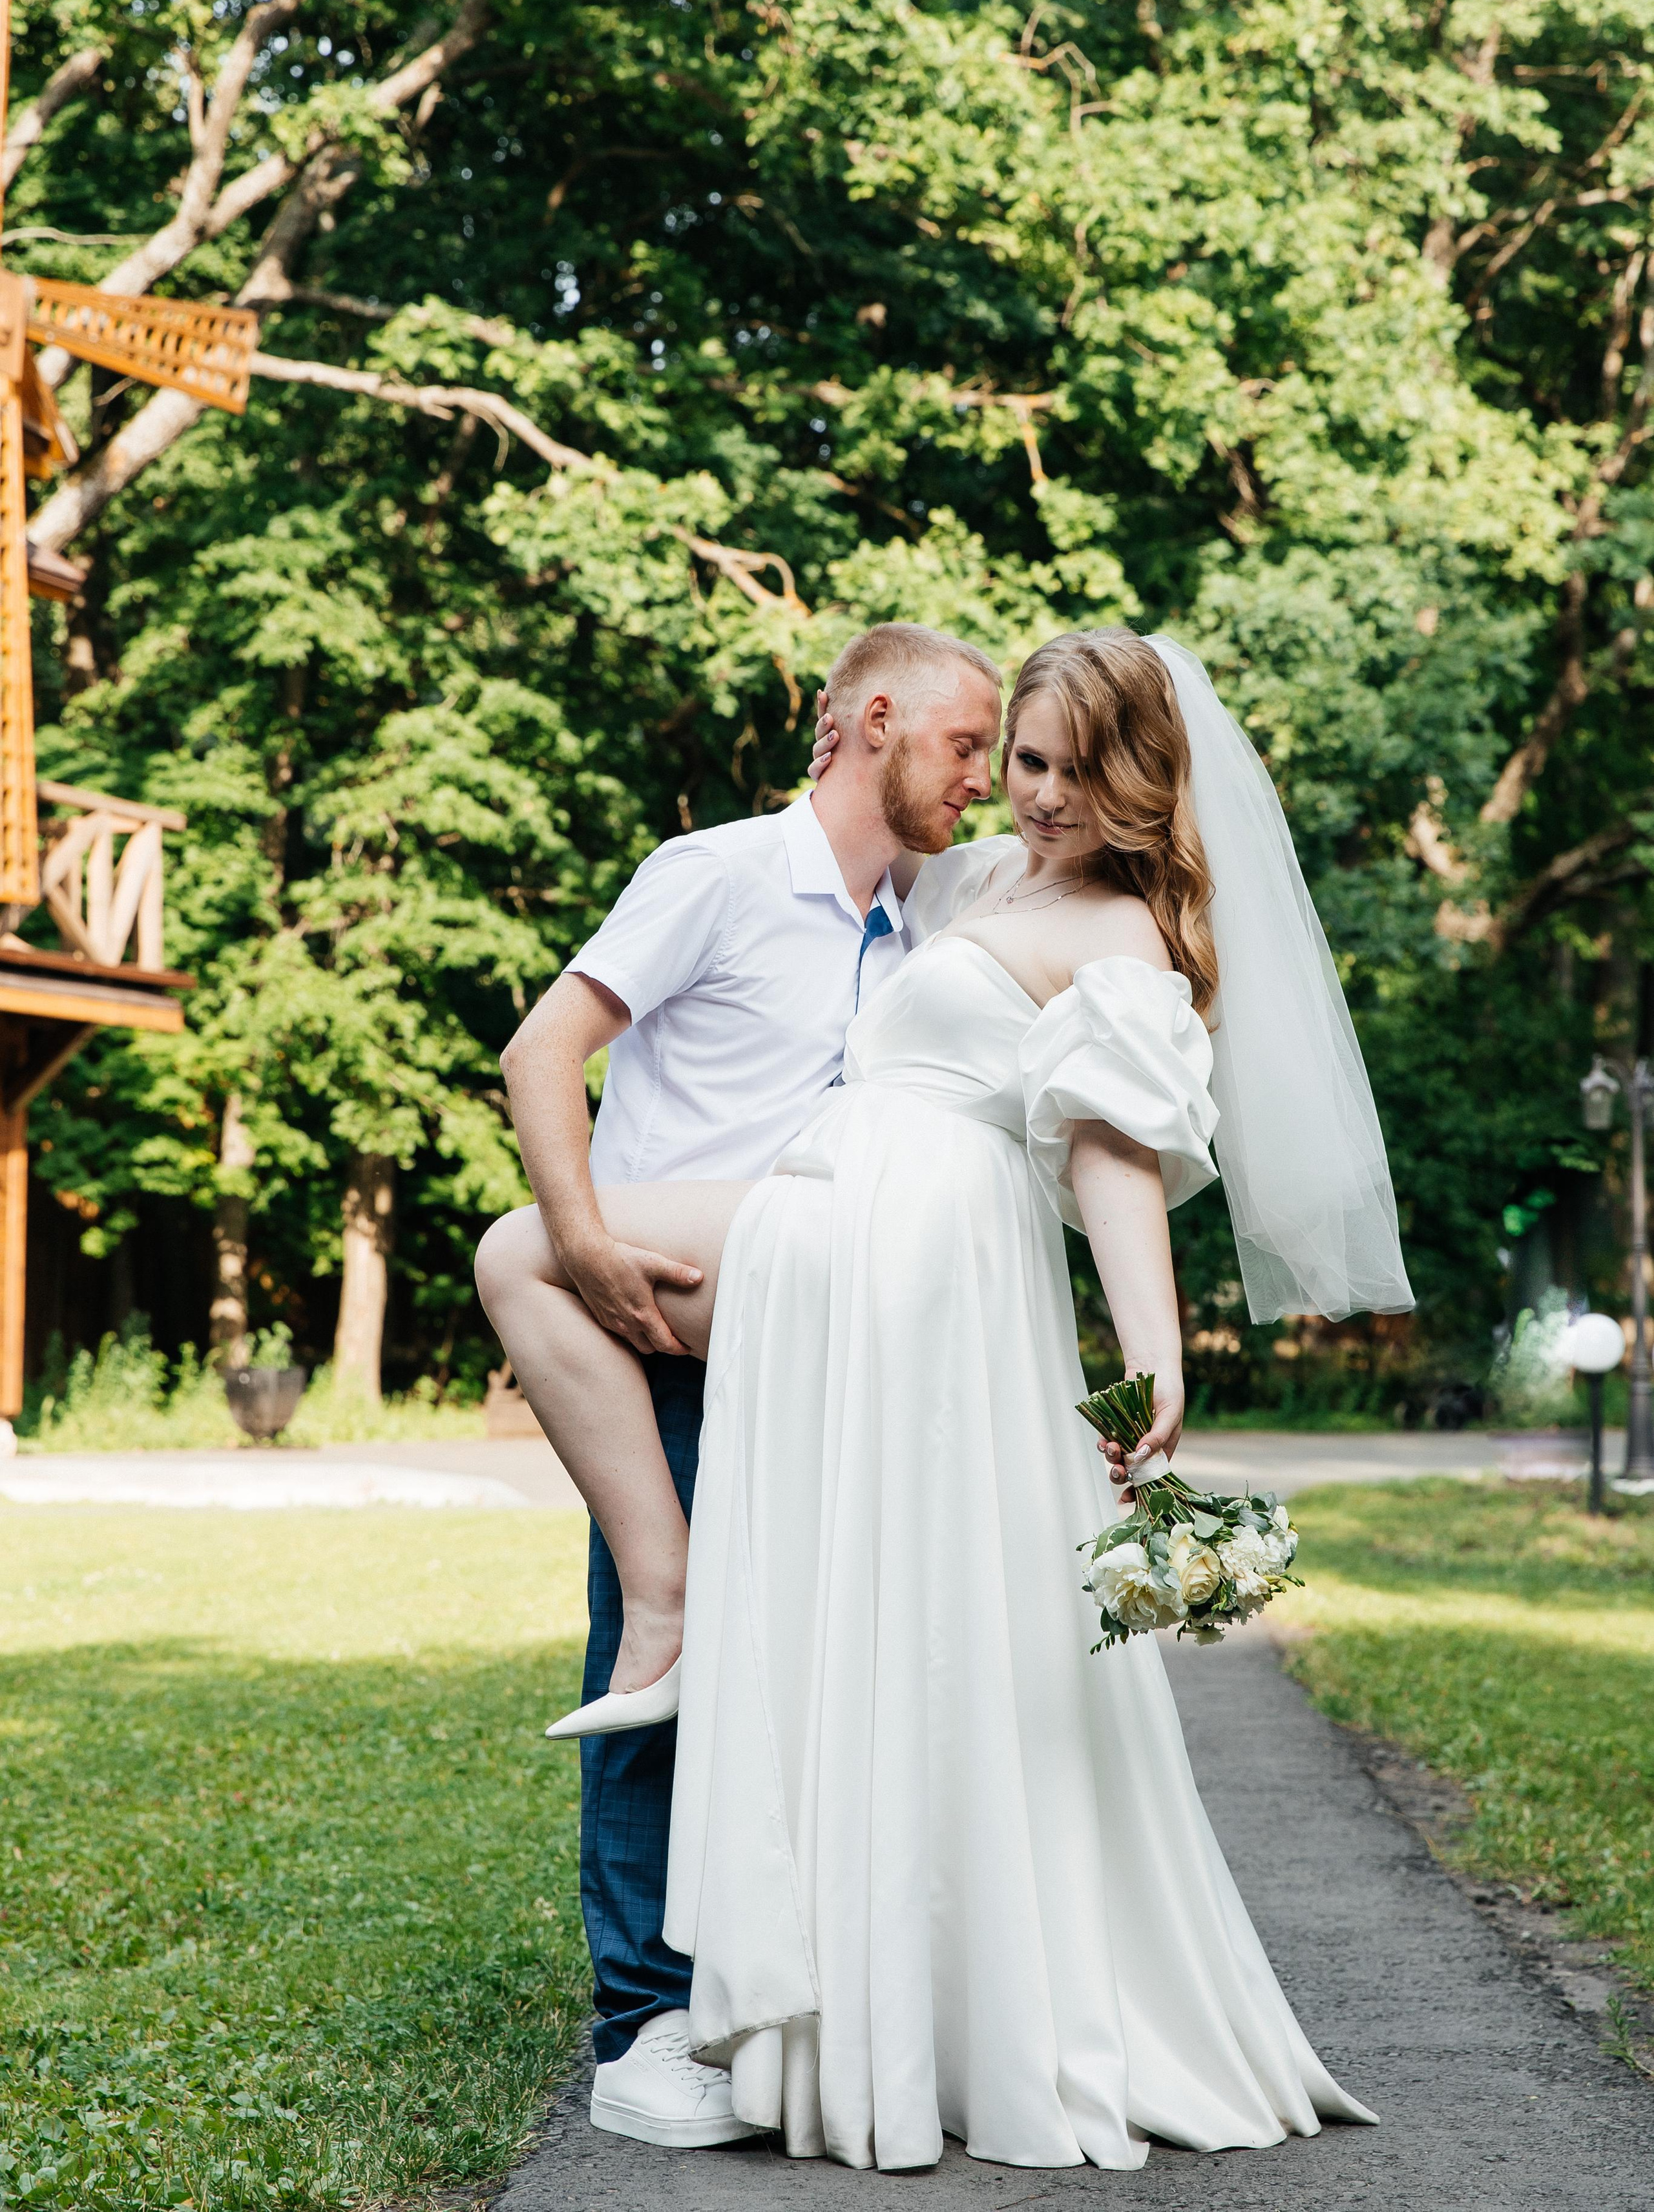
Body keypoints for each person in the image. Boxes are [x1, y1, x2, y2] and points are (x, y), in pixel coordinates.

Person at [488, 625, 1414, 2171]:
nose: (1025, 790)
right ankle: (745, 1984)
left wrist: (1150, 1358)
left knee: (526, 1266)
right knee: (852, 1627)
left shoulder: (1111, 932)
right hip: (848, 1222)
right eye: (1011, 756)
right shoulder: (964, 878)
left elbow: (1114, 1162)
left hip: (900, 1242)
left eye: (1057, 764)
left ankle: (690, 1670)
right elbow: (874, 835)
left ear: (1135, 780)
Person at [475, 621, 1005, 2149]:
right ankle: (643, 2026)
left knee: (821, 1688)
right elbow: (540, 1053)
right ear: (869, 721)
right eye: (964, 745)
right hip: (677, 1346)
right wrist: (583, 1249)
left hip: (840, 1361)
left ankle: (785, 2001)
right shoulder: (711, 871)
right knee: (664, 1672)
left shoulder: (921, 926)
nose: (977, 777)